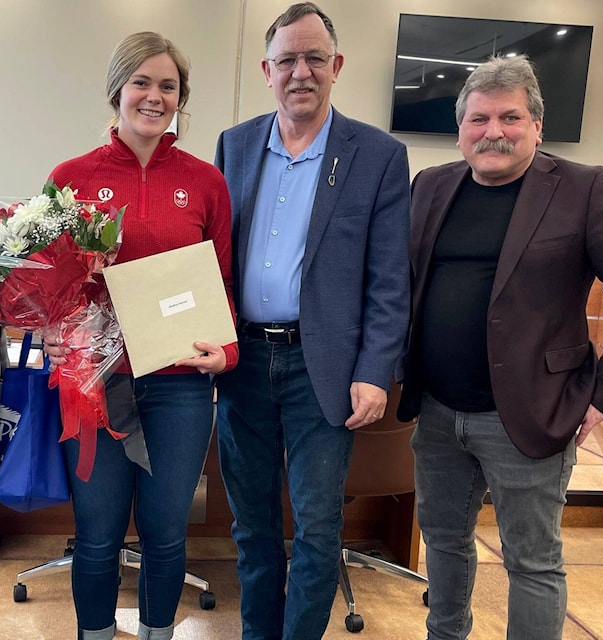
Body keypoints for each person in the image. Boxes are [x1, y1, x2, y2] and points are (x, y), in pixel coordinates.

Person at [397, 54, 603, 639]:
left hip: (530, 415)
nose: (493, 131)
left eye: (509, 118)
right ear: (460, 127)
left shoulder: (585, 188)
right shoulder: (432, 185)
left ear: (536, 126)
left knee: (533, 563)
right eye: (478, 119)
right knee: (443, 544)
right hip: (439, 412)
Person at [213, 3, 411, 638]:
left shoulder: (378, 156)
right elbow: (213, 254)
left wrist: (377, 370)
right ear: (267, 70)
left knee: (318, 525)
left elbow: (389, 280)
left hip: (322, 368)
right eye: (288, 60)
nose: (301, 72)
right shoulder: (235, 145)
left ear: (337, 67)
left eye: (314, 59)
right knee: (251, 525)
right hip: (242, 362)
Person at [44, 31, 238, 640]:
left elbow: (224, 284)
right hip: (95, 384)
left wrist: (227, 351)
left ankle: (158, 633)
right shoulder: (71, 178)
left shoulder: (207, 183)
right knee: (98, 534)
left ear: (182, 98)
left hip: (179, 387)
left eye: (168, 86)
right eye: (142, 83)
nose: (154, 97)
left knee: (165, 533)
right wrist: (49, 331)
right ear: (117, 90)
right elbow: (45, 282)